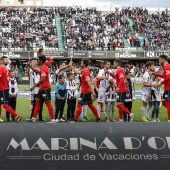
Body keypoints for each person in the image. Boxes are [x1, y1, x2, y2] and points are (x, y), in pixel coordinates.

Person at [29, 56, 55, 123]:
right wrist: (30, 66)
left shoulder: (44, 68)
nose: (37, 61)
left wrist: (34, 86)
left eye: (38, 60)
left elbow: (42, 79)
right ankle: (33, 118)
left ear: (41, 60)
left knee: (47, 103)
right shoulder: (43, 67)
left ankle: (52, 119)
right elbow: (36, 71)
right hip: (42, 89)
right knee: (37, 102)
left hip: (45, 89)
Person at [0, 57, 21, 123]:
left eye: (6, 60)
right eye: (6, 60)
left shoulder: (1, 69)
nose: (7, 61)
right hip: (5, 89)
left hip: (3, 89)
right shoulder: (6, 69)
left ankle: (17, 116)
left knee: (5, 105)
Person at [154, 55, 170, 122]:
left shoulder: (167, 66)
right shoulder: (166, 66)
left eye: (160, 59)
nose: (159, 61)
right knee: (163, 102)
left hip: (169, 88)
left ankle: (169, 120)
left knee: (168, 103)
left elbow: (168, 77)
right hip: (167, 88)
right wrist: (157, 74)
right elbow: (165, 75)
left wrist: (160, 83)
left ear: (163, 59)